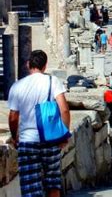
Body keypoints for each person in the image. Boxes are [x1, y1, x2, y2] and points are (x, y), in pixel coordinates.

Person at [8, 50, 70, 197]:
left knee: (30, 188)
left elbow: (13, 117)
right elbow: (65, 110)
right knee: (53, 184)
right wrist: (64, 135)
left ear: (28, 64)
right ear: (45, 65)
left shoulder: (17, 86)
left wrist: (14, 136)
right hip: (50, 140)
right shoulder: (52, 81)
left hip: (27, 142)